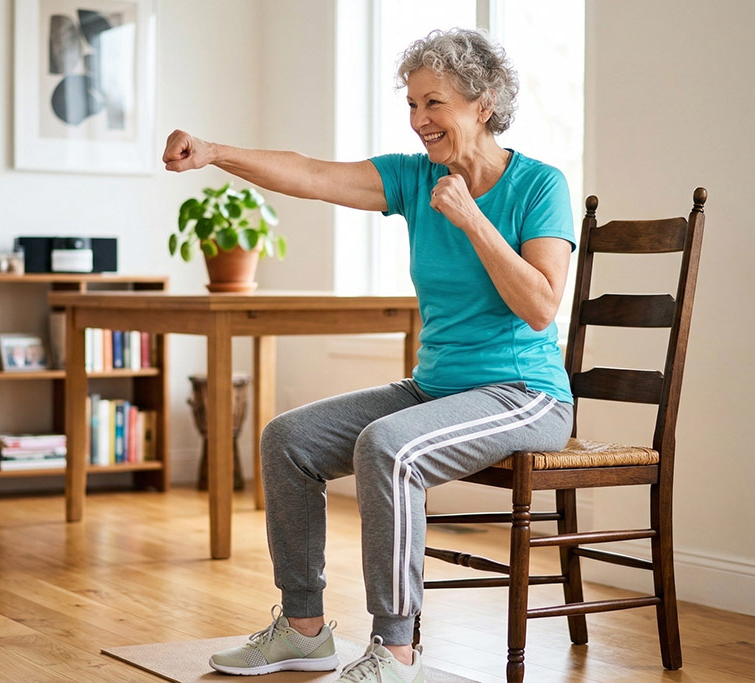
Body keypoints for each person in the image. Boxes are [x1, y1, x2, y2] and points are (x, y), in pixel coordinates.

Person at [163, 28, 576, 683]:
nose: (418, 121)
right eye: (411, 104)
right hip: (437, 387)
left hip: (525, 394)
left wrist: (473, 219)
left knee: (387, 446)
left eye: (433, 103)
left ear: (484, 102)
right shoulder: (415, 179)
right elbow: (310, 174)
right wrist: (213, 152)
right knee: (287, 438)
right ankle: (303, 630)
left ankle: (398, 650)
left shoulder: (538, 185)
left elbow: (542, 305)